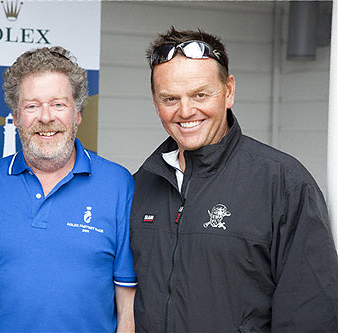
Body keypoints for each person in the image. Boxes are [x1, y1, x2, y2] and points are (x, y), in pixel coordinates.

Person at [130, 26, 338, 332]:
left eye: (200, 94)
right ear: (154, 101)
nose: (186, 111)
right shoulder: (141, 185)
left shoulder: (283, 184)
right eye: (170, 98)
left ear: (228, 91)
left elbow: (311, 313)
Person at [0, 46, 137, 332]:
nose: (46, 117)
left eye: (58, 104)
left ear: (78, 113)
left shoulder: (118, 185)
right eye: (32, 105)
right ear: (16, 115)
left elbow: (128, 307)